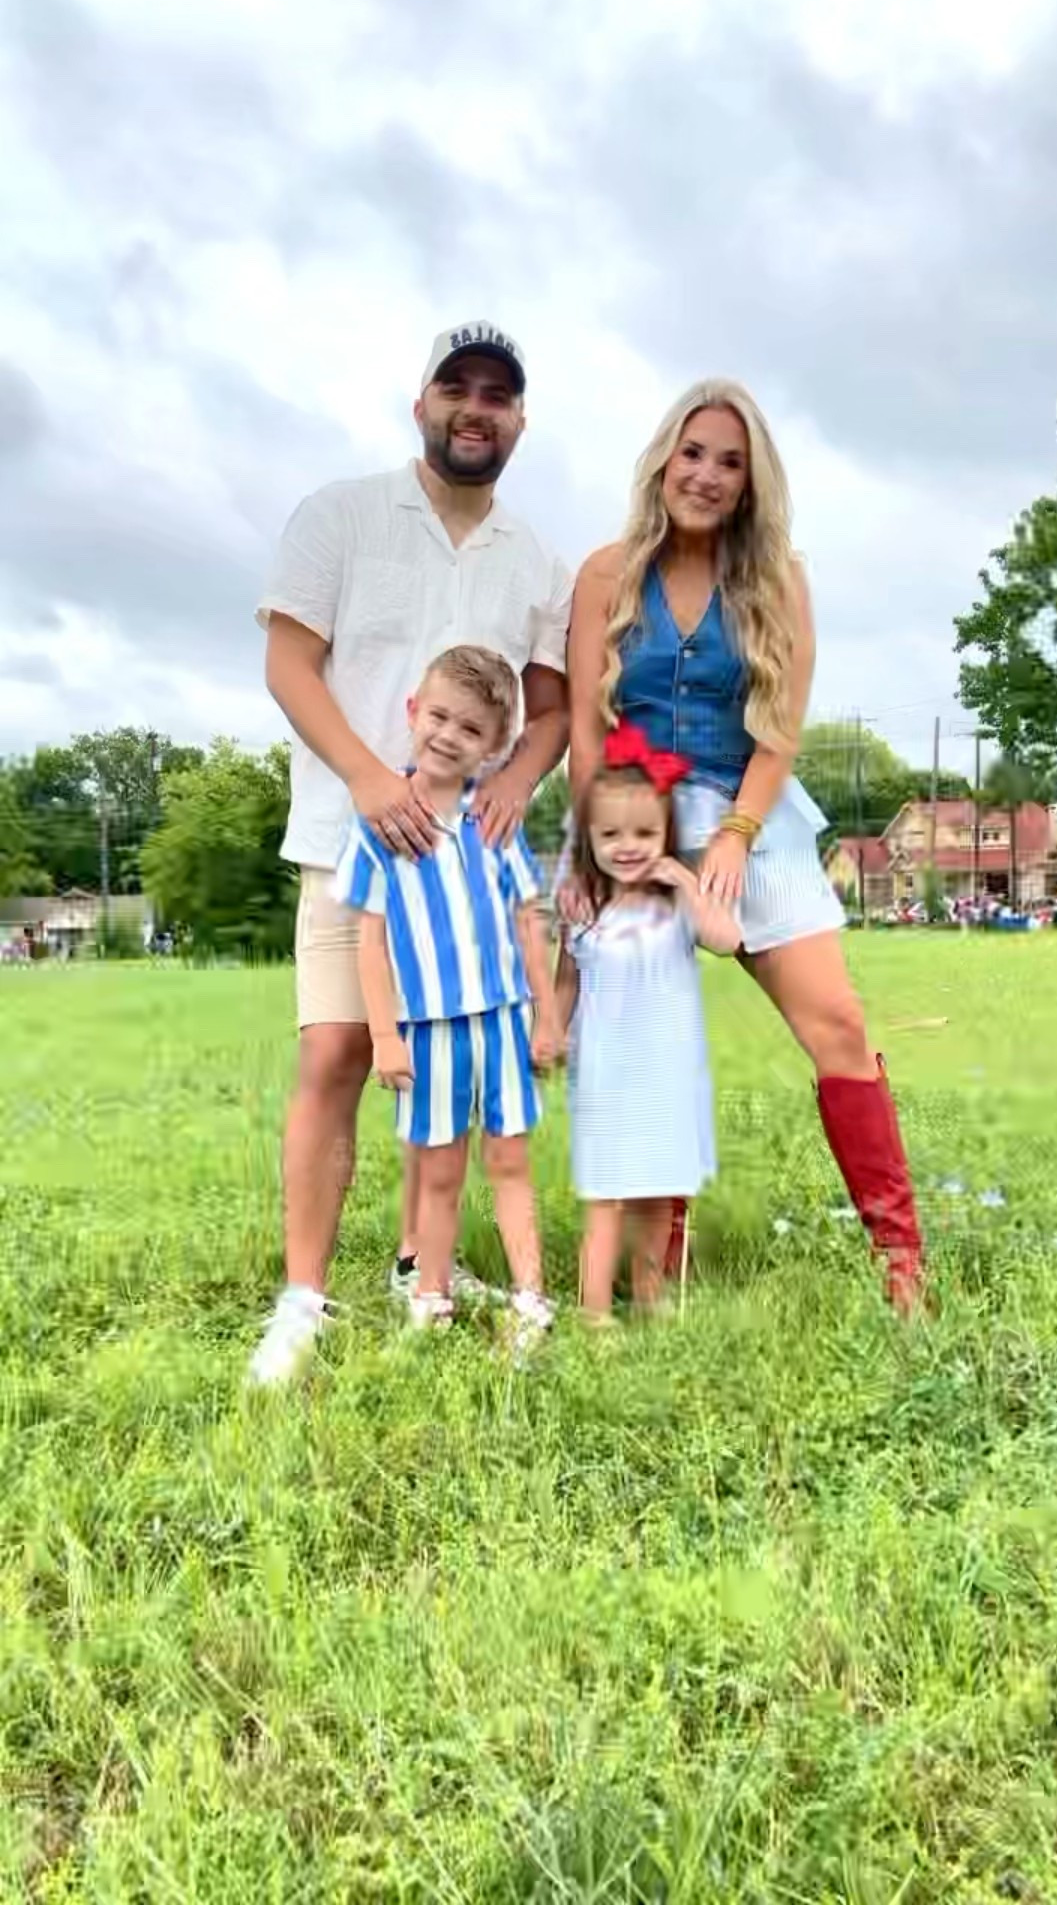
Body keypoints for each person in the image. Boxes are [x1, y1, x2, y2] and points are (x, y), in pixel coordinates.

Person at [250, 322, 572, 1385]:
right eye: (457, 388)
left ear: (519, 421)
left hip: (470, 869)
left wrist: (520, 779)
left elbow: (553, 701)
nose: (476, 409)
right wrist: (368, 778)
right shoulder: (340, 515)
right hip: (358, 841)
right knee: (340, 1053)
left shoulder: (530, 557)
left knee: (452, 1056)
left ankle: (412, 1264)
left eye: (499, 396)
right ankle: (304, 1294)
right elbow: (291, 665)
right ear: (421, 402)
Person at [565, 380, 925, 1315]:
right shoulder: (605, 574)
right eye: (693, 453)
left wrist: (735, 832)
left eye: (730, 461)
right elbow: (582, 729)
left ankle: (901, 1260)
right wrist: (589, 858)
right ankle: (656, 1259)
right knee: (646, 1032)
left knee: (838, 1024)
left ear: (752, 481)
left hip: (748, 813)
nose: (708, 475)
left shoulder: (779, 579)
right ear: (662, 460)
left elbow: (782, 731)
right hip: (632, 822)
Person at [329, 645, 560, 1352]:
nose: (448, 736)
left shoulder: (494, 822)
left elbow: (528, 921)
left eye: (470, 729)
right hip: (427, 1033)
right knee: (439, 1170)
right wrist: (384, 1035)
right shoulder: (380, 827)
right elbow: (368, 942)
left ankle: (531, 1299)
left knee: (512, 1162)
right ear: (413, 713)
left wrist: (547, 1016)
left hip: (502, 1024)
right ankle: (429, 1296)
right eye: (439, 717)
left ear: (492, 748)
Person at [556, 721, 741, 1321]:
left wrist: (687, 881)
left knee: (661, 1189)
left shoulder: (675, 907)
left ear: (666, 834)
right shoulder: (586, 909)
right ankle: (593, 1311)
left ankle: (648, 1294)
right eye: (610, 833)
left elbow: (730, 939)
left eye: (644, 832)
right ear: (588, 836)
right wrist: (550, 1030)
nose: (628, 845)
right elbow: (567, 980)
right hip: (607, 1073)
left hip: (667, 1072)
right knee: (606, 1195)